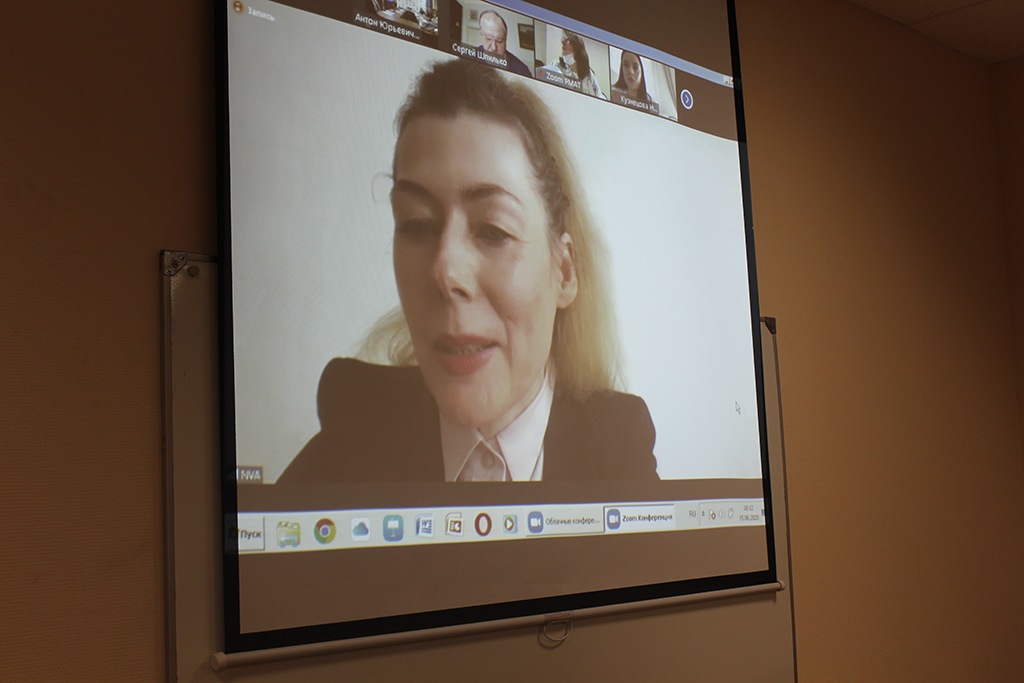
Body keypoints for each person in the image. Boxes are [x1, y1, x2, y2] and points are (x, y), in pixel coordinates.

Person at [278, 59, 657, 483]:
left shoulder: (619, 450)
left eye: (493, 230)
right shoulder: (353, 431)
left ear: (564, 272)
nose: (445, 272)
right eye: (417, 225)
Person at [546, 30, 605, 99]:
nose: (563, 53)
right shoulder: (555, 65)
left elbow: (599, 96)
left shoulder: (588, 75)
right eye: (563, 49)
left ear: (578, 54)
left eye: (567, 50)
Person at [476, 9, 532, 78]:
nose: (493, 48)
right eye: (488, 39)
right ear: (481, 35)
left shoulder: (522, 70)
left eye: (499, 41)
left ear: (506, 39)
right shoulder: (468, 59)